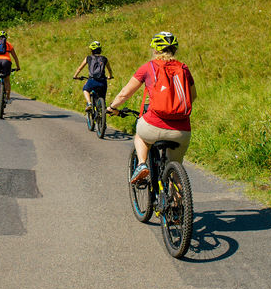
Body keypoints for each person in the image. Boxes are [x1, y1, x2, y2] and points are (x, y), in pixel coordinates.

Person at [107, 31, 196, 183]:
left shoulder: (148, 68)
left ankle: (141, 164)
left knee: (139, 135)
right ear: (174, 50)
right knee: (175, 175)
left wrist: (112, 107)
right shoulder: (184, 69)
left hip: (153, 126)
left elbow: (124, 94)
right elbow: (192, 96)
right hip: (181, 131)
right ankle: (179, 202)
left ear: (155, 50)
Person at [71, 41, 114, 113]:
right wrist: (110, 76)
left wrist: (75, 76)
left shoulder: (88, 58)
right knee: (102, 96)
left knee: (85, 89)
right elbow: (109, 69)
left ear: (92, 50)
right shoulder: (104, 59)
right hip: (103, 81)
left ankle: (89, 103)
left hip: (92, 81)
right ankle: (102, 112)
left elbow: (80, 68)